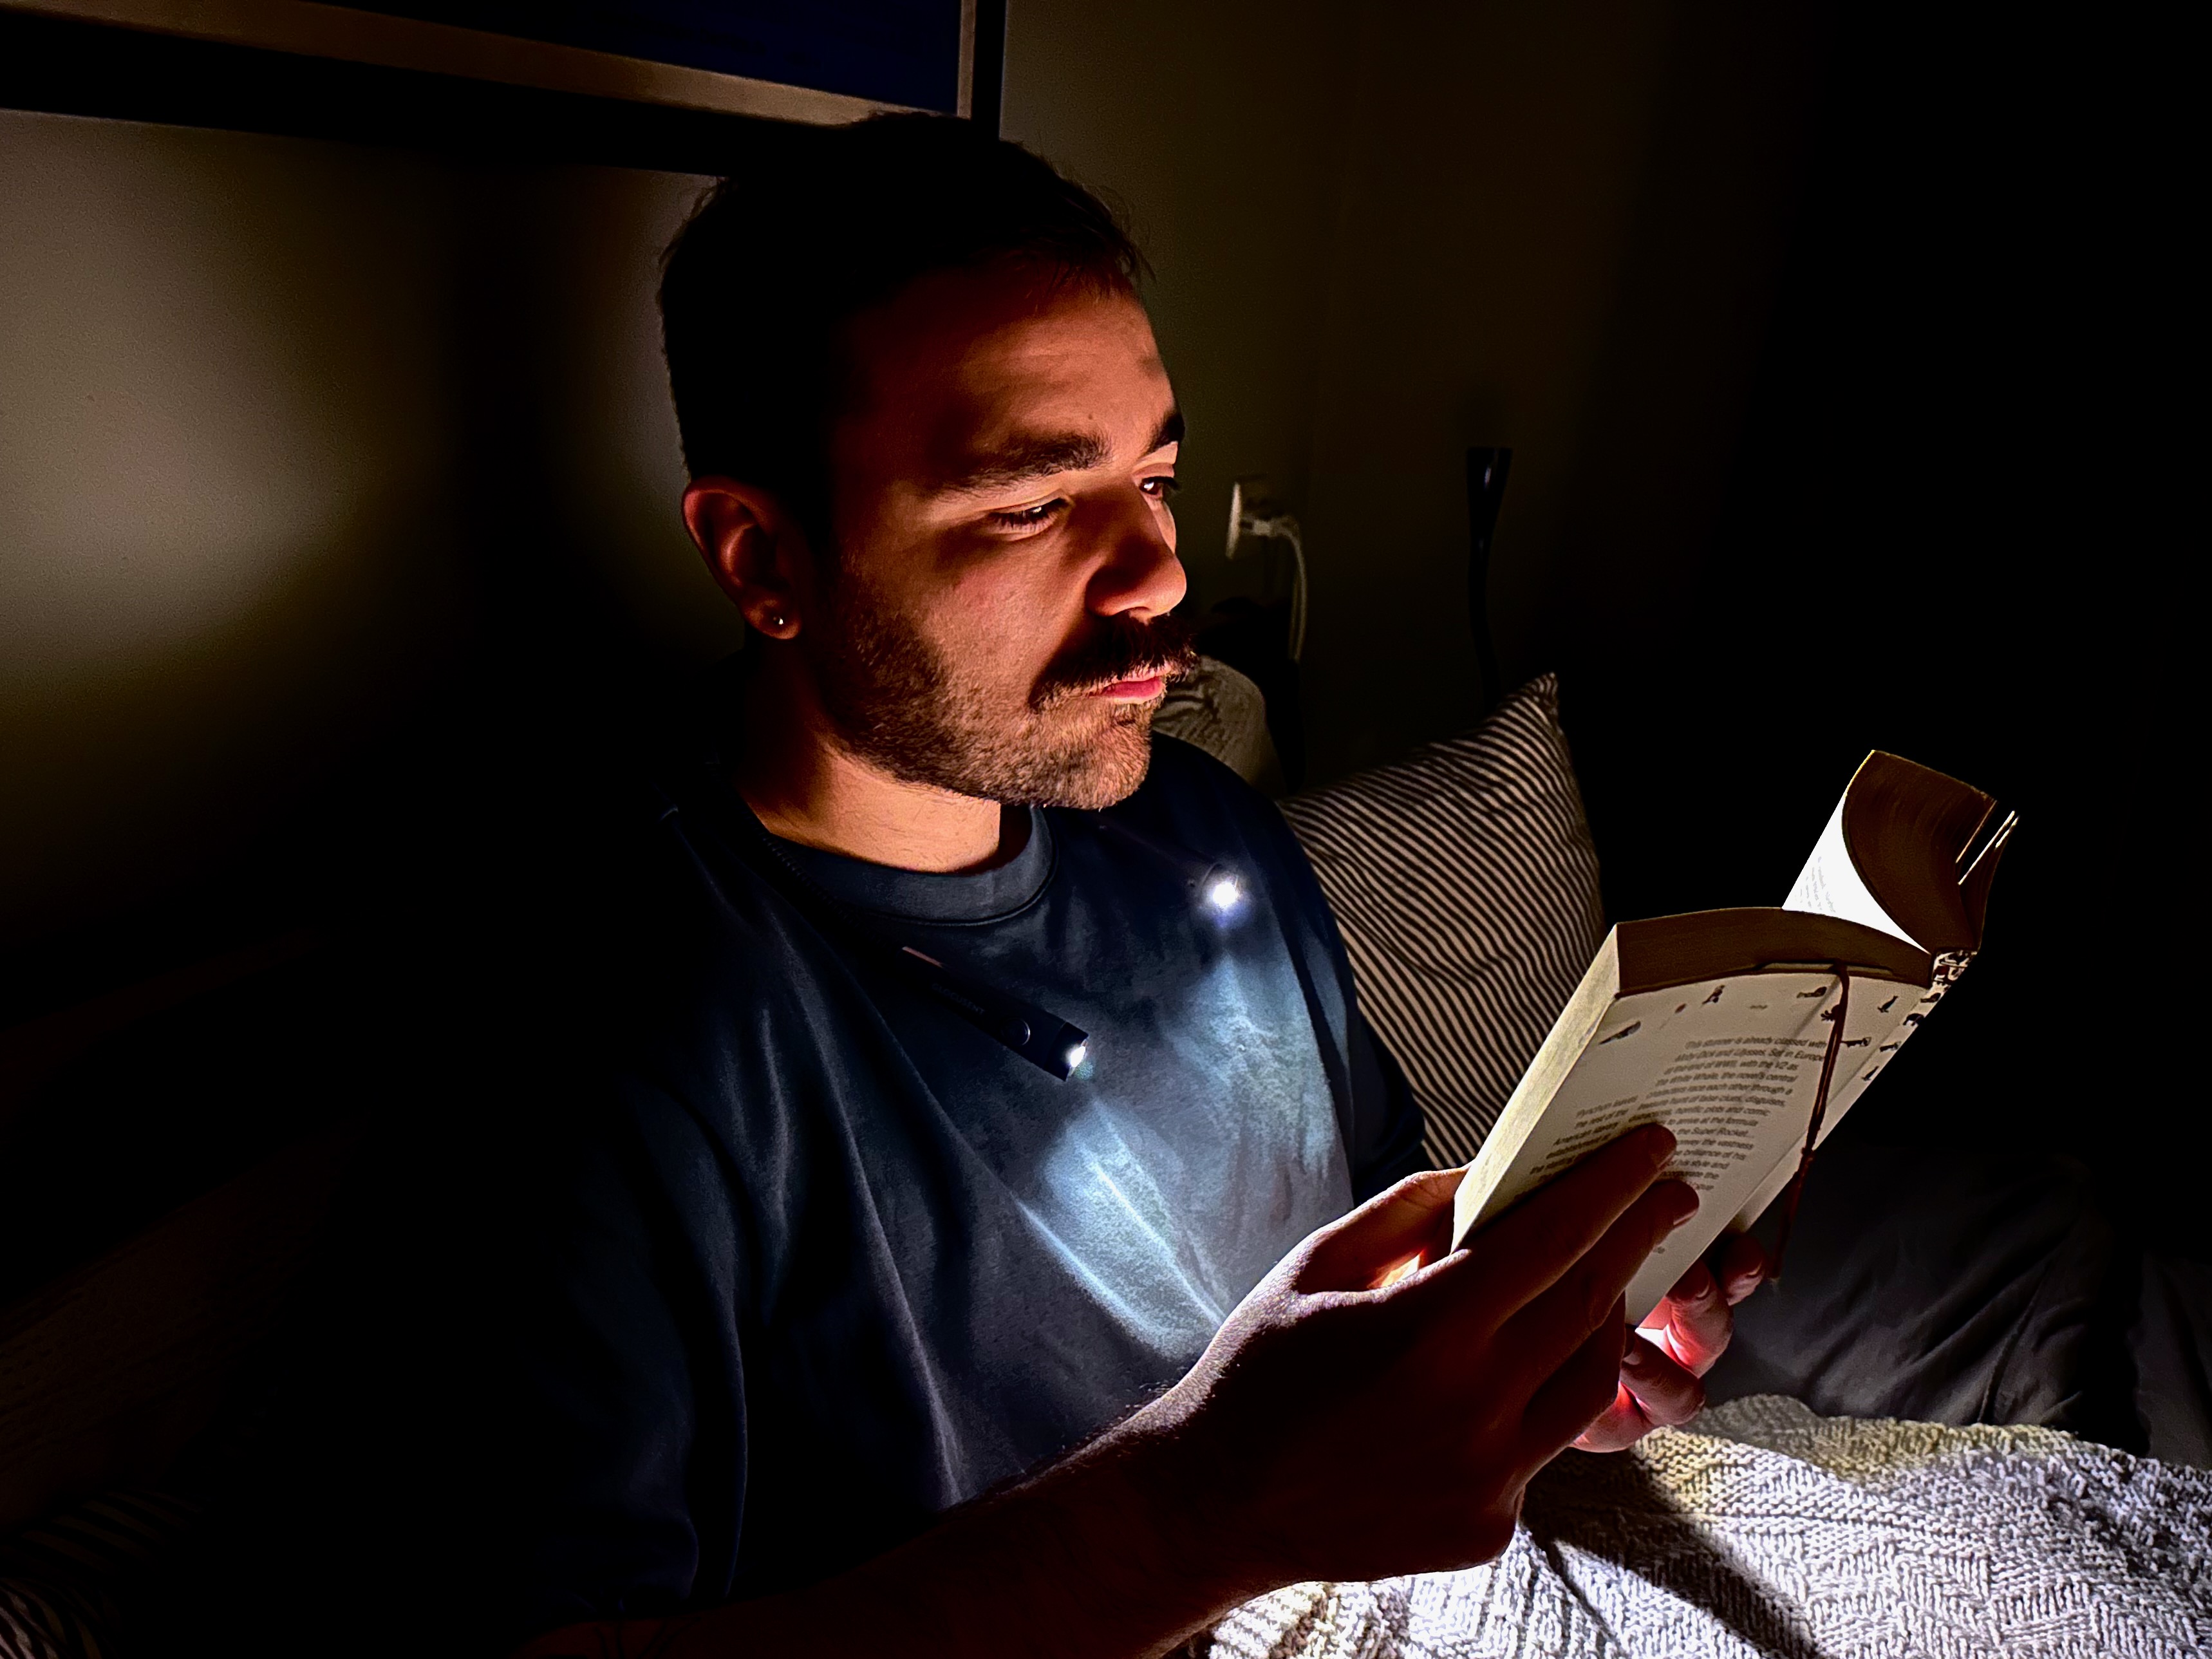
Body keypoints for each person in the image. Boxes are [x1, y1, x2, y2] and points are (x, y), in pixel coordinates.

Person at [193, 114, 1762, 1659]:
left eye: (1153, 471)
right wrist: (1205, 1508)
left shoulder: (1205, 833)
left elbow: (1382, 1275)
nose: (1155, 569)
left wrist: (1553, 1359)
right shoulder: (601, 1029)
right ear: (764, 560)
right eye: (1030, 500)